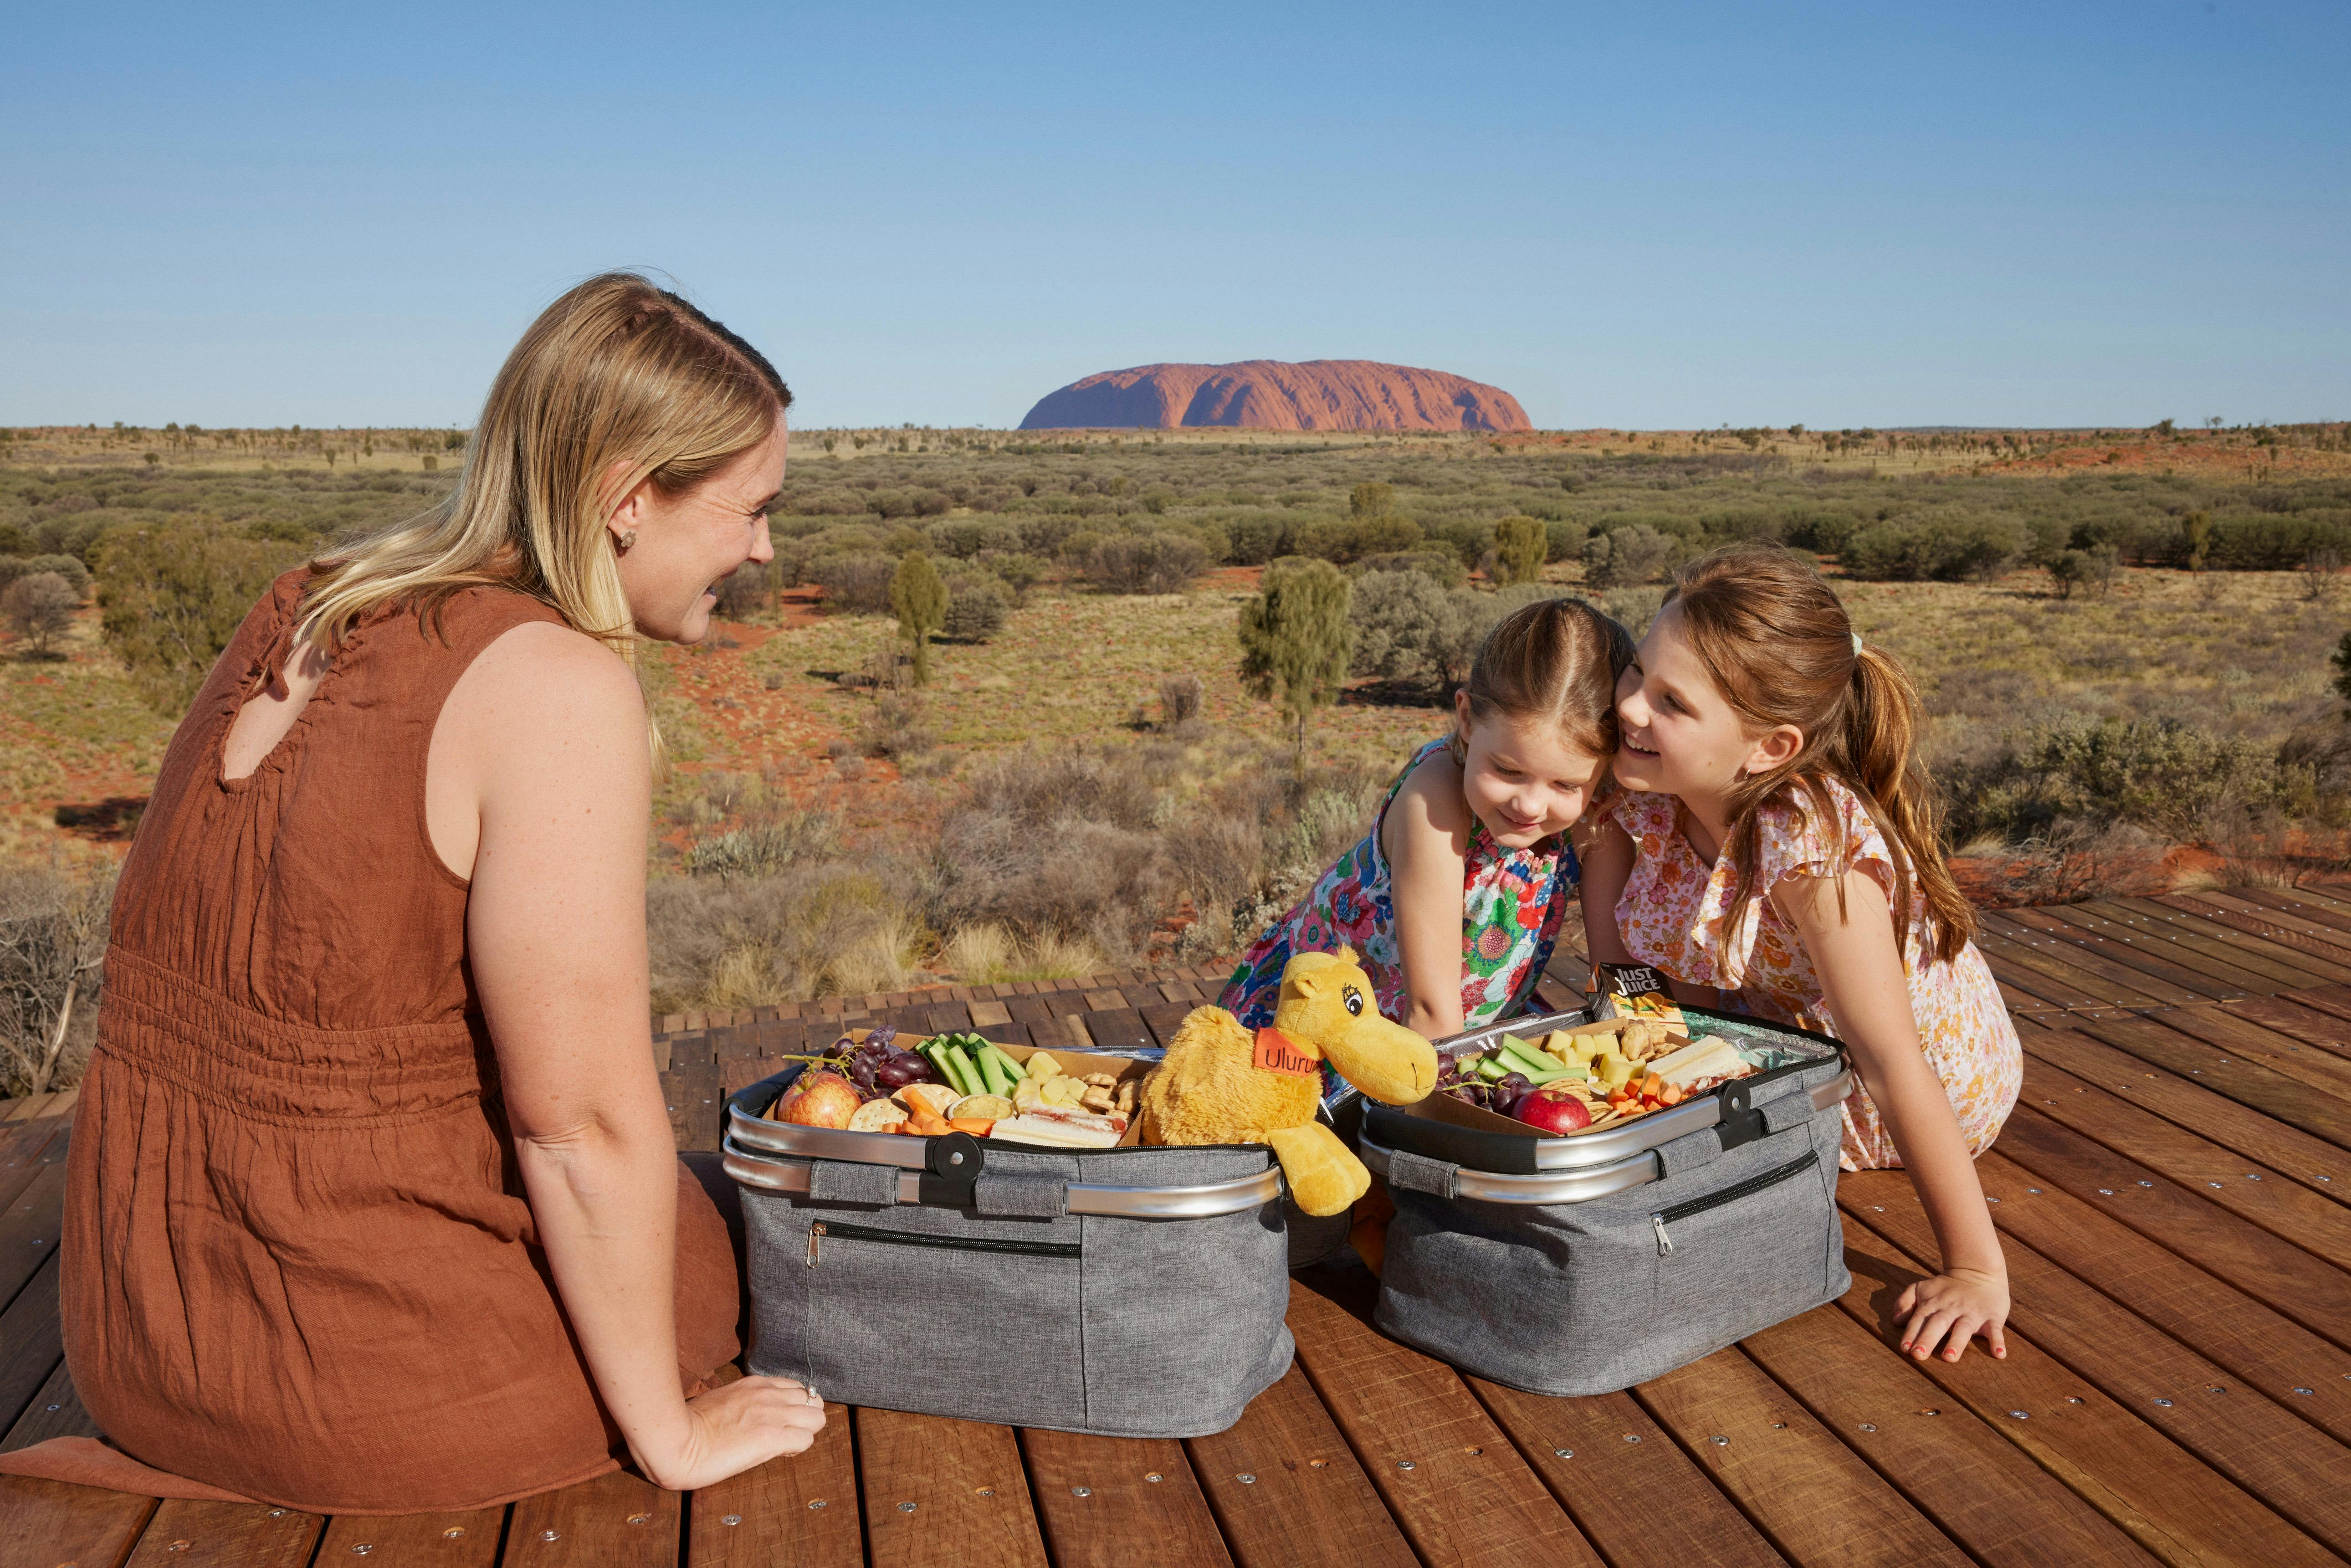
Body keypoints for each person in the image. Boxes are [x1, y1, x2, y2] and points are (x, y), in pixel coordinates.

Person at [32, 274, 828, 1512]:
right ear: (628, 500)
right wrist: (671, 1433)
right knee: (721, 1232)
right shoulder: (556, 686)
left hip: (143, 1341)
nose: (767, 550)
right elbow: (577, 1126)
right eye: (751, 510)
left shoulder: (312, 598)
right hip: (368, 1384)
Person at [1580, 542, 2022, 1365]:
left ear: (1769, 748)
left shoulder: (1810, 848)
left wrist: (1974, 1269)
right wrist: (1641, 1066)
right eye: (1637, 673)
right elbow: (1627, 985)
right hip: (1784, 1027)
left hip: (1917, 1079)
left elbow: (1890, 1059)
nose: (1633, 708)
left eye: (1673, 702)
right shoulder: (1641, 802)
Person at [1221, 596, 1635, 1049]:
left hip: (1465, 1032)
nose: (1531, 804)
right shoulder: (1435, 798)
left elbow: (1621, 978)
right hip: (1338, 1037)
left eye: (1565, 784)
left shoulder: (1596, 814)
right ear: (1466, 718)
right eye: (1507, 770)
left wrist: (1652, 1060)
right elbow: (1431, 1011)